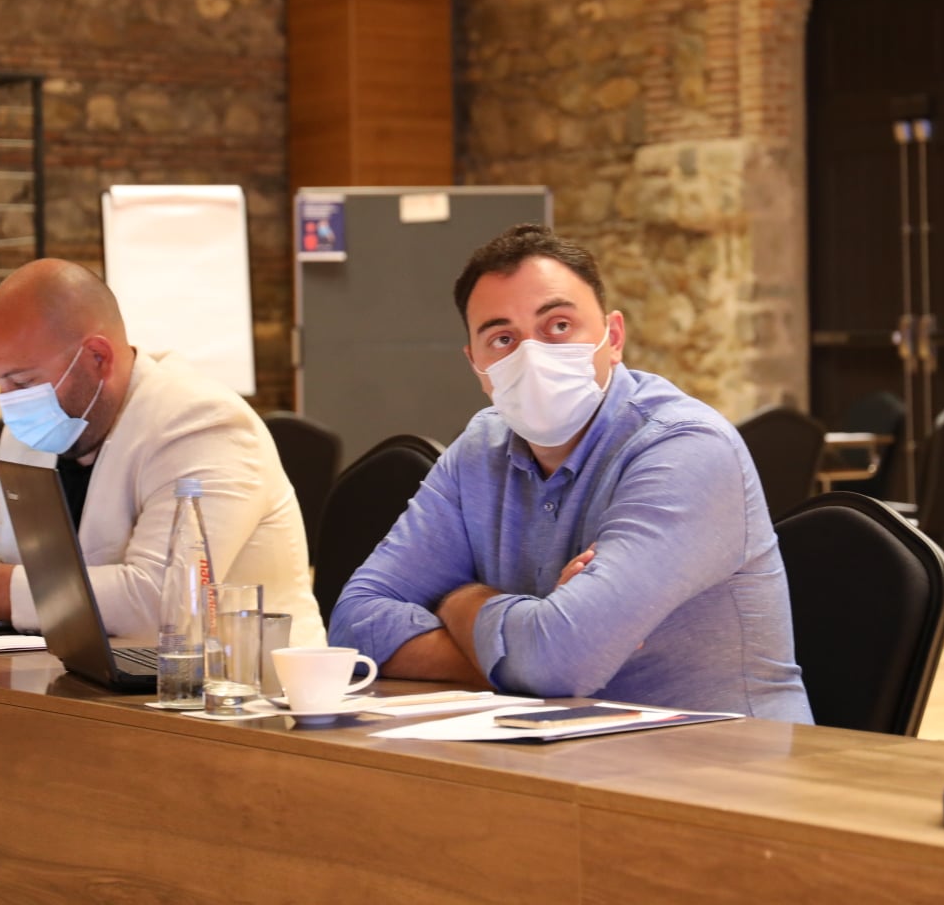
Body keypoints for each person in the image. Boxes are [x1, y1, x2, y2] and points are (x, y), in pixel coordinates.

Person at [328, 224, 812, 721]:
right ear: (476, 365)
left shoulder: (686, 447)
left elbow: (558, 663)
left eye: (558, 326)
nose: (531, 355)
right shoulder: (480, 448)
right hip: (552, 748)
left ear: (613, 337)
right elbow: (354, 622)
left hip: (722, 755)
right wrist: (523, 654)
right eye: (502, 338)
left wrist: (461, 601)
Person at [0, 258, 324, 645]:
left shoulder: (200, 424)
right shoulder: (28, 434)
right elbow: (0, 557)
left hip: (240, 691)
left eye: (22, 382)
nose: (9, 402)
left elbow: (164, 602)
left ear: (98, 357)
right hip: (82, 681)